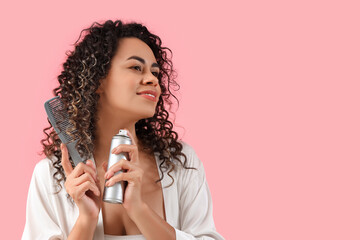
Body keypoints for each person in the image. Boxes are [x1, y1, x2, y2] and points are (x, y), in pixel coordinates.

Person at [22, 19, 224, 240]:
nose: (152, 80)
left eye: (155, 73)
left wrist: (139, 210)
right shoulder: (51, 177)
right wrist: (86, 221)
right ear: (98, 80)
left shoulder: (180, 165)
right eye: (136, 67)